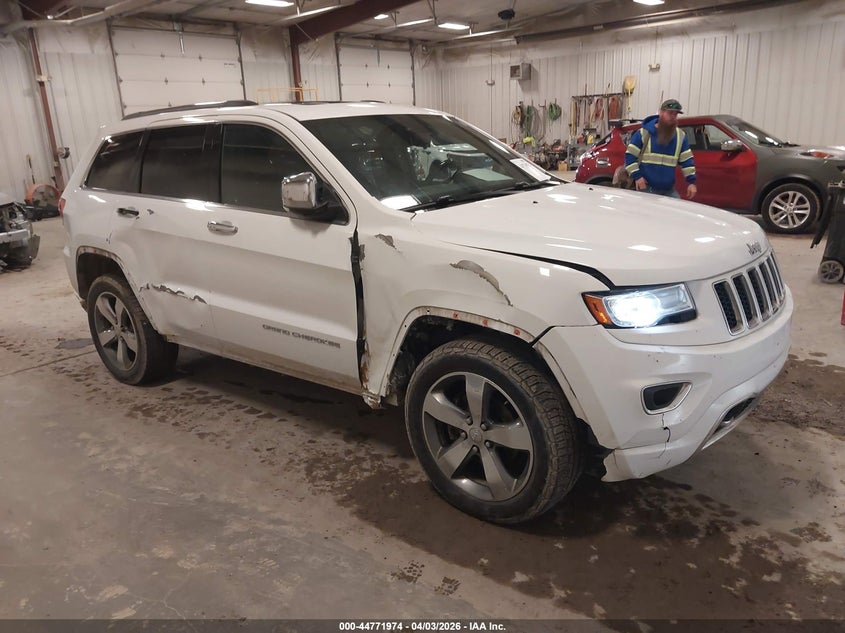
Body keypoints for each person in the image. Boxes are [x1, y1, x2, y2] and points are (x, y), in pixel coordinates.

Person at [624, 99, 697, 199]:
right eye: (670, 113)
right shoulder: (643, 133)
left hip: (668, 190)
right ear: (660, 112)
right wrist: (638, 177)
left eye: (675, 114)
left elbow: (687, 161)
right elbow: (630, 157)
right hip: (647, 189)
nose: (673, 117)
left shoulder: (680, 136)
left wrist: (691, 182)